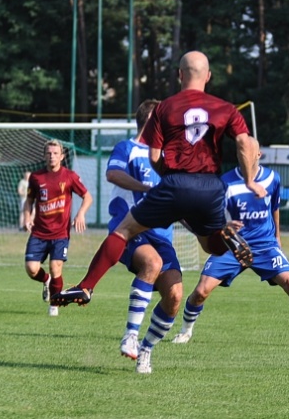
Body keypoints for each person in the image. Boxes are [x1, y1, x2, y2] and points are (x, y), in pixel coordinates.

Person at [51, 50, 265, 308]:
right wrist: (250, 179)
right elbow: (246, 142)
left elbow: (155, 157)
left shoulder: (166, 109)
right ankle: (222, 233)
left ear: (179, 75)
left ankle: (88, 287)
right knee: (198, 250)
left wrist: (166, 178)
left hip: (170, 198)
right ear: (208, 76)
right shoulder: (224, 109)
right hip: (205, 187)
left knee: (135, 245)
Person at [172, 139, 289, 350]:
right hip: (233, 245)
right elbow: (215, 216)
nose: (242, 156)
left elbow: (275, 208)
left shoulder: (272, 178)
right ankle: (185, 331)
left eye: (247, 152)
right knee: (201, 291)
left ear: (258, 155)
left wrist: (278, 238)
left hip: (265, 244)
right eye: (239, 153)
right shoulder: (226, 182)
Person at [108, 99, 184, 374]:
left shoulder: (170, 159)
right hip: (128, 227)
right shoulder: (127, 148)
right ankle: (130, 334)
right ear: (150, 120)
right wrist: (144, 187)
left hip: (162, 236)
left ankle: (146, 348)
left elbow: (180, 201)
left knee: (175, 295)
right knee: (152, 264)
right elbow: (112, 173)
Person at [23, 139, 93, 316]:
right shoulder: (36, 177)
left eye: (55, 153)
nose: (52, 156)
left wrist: (80, 214)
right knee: (31, 269)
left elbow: (87, 197)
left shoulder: (69, 176)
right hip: (39, 232)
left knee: (56, 267)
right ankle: (46, 280)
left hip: (60, 234)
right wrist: (26, 217)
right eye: (48, 153)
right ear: (44, 155)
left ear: (62, 156)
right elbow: (29, 201)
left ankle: (54, 303)